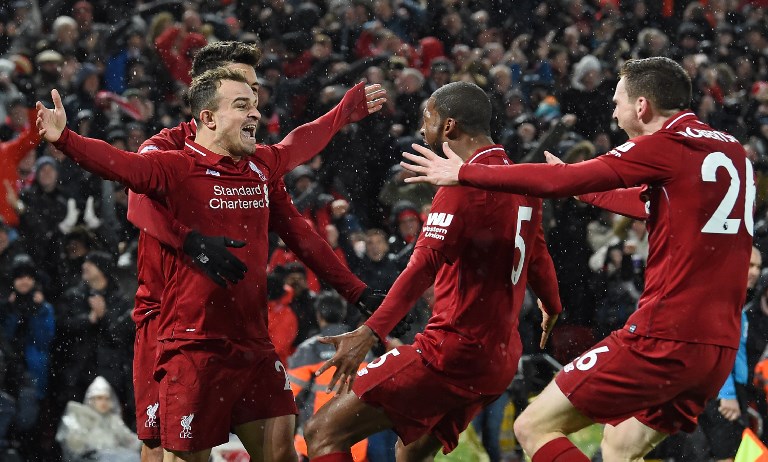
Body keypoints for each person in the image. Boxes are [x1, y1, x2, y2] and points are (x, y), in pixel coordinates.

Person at [401, 56, 755, 461]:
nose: (615, 112)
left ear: (642, 107)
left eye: (618, 102)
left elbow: (558, 180)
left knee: (532, 426)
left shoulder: (665, 145)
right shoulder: (733, 152)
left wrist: (465, 174)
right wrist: (583, 191)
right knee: (621, 446)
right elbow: (656, 206)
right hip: (718, 346)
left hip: (665, 336)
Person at [36, 67, 383, 462]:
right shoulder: (177, 165)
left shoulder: (261, 167)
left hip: (253, 343)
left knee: (281, 453)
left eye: (255, 104)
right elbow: (122, 166)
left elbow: (299, 144)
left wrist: (343, 111)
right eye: (242, 105)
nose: (255, 113)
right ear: (208, 117)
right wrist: (64, 138)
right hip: (193, 344)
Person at [126, 41, 392, 462]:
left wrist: (356, 291)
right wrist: (190, 242)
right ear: (208, 90)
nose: (254, 103)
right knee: (165, 450)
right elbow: (137, 204)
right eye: (242, 89)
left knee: (278, 446)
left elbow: (299, 234)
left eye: (254, 91)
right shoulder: (163, 149)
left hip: (242, 328)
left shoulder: (253, 165)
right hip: (170, 325)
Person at [302, 81, 562, 462]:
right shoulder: (522, 179)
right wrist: (552, 305)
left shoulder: (459, 183)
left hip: (451, 355)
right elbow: (537, 253)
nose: (422, 128)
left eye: (428, 118)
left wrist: (370, 331)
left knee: (322, 432)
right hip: (500, 360)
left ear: (449, 127)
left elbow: (422, 266)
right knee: (410, 454)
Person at [56, 376, 141, 462]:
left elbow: (130, 440)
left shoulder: (113, 420)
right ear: (91, 399)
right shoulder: (82, 417)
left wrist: (145, 442)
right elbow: (74, 445)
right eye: (99, 398)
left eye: (107, 398)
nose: (103, 402)